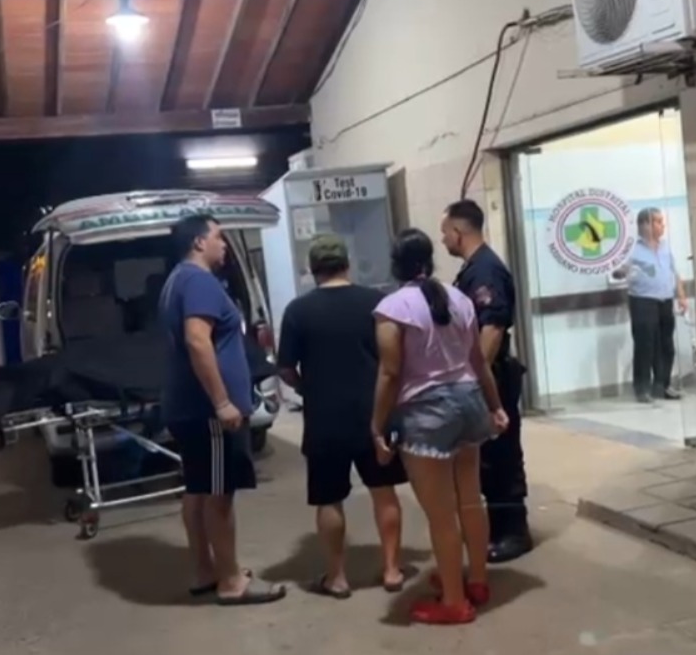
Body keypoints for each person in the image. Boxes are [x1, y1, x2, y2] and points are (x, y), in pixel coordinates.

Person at [371, 228, 508, 625]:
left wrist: (377, 426)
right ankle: (476, 580)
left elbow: (390, 373)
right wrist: (495, 406)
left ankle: (453, 601)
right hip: (469, 403)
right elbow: (478, 362)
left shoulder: (392, 308)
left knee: (441, 514)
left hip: (427, 413)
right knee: (471, 500)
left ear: (395, 265)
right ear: (429, 260)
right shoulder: (460, 299)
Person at [158, 214, 286, 606]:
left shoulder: (176, 280)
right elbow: (198, 341)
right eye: (218, 236)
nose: (224, 244)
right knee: (219, 493)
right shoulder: (199, 281)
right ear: (199, 242)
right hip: (208, 412)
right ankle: (231, 581)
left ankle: (205, 571)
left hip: (188, 407)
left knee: (198, 490)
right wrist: (223, 401)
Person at [277, 235, 408, 599]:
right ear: (347, 264)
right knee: (384, 492)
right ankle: (392, 569)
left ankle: (336, 577)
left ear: (312, 270)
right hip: (374, 414)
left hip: (324, 418)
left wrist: (307, 388)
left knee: (329, 498)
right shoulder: (376, 303)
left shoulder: (298, 311)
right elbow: (394, 359)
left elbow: (285, 368)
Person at [441, 199, 533, 564]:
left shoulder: (486, 271)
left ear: (458, 231)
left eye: (445, 232)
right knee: (487, 459)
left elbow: (492, 329)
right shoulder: (474, 269)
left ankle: (513, 533)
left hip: (492, 377)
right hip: (483, 376)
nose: (443, 240)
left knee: (501, 455)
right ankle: (496, 528)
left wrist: (475, 378)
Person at [612, 208, 688, 404]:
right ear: (646, 224)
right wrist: (623, 272)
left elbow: (675, 272)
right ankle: (642, 389)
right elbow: (617, 271)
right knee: (645, 345)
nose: (663, 225)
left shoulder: (665, 247)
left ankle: (662, 386)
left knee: (666, 346)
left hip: (665, 301)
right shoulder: (632, 249)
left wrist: (681, 296)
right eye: (658, 222)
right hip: (642, 301)